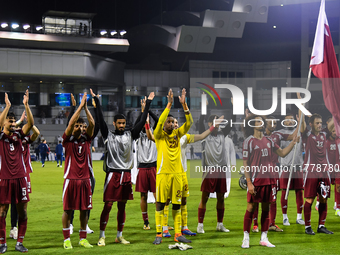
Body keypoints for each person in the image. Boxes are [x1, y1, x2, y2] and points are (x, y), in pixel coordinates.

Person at [147, 115, 225, 238]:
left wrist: (213, 126)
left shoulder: (184, 137)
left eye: (176, 122)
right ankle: (165, 228)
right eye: (173, 122)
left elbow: (201, 136)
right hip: (168, 172)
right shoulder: (164, 136)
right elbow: (152, 137)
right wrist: (147, 124)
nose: (175, 124)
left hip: (182, 173)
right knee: (166, 201)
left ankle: (184, 227)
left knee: (182, 200)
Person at [94, 89, 155, 246]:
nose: (121, 125)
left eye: (123, 123)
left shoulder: (130, 134)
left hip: (126, 175)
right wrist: (97, 103)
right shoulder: (108, 135)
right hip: (112, 175)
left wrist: (148, 103)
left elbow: (141, 122)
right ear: (114, 124)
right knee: (108, 206)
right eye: (119, 123)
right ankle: (102, 236)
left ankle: (119, 235)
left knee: (122, 207)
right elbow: (100, 120)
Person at [241, 114, 297, 248]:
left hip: (270, 179)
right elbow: (246, 164)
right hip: (256, 180)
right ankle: (246, 238)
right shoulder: (248, 141)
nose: (262, 123)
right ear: (253, 124)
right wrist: (249, 182)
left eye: (262, 121)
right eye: (259, 121)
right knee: (250, 207)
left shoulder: (269, 140)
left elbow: (282, 153)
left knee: (266, 208)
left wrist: (293, 143)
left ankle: (264, 238)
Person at [152, 89, 193, 245]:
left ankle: (177, 234)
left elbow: (189, 123)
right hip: (163, 175)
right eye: (168, 122)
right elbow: (161, 122)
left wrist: (184, 105)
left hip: (177, 174)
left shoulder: (178, 134)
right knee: (161, 204)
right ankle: (159, 233)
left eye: (172, 122)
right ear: (164, 125)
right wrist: (169, 105)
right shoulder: (159, 136)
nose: (171, 124)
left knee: (177, 204)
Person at [0, 90, 34, 253]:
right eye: (10, 122)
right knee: (2, 212)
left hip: (20, 178)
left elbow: (31, 124)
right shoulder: (0, 137)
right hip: (4, 179)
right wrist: (7, 107)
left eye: (14, 122)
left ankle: (19, 242)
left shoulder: (20, 135)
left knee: (23, 211)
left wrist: (27, 105)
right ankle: (2, 242)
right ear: (4, 123)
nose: (13, 124)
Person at [197, 98, 236, 234]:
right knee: (205, 197)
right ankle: (200, 225)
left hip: (221, 170)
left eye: (218, 122)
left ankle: (220, 224)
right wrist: (204, 107)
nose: (217, 125)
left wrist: (233, 106)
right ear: (209, 123)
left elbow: (231, 124)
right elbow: (200, 122)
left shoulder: (222, 133)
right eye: (214, 122)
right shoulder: (205, 133)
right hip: (209, 170)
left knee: (221, 197)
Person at [61, 92, 95, 249]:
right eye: (77, 125)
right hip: (70, 180)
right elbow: (70, 126)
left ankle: (82, 238)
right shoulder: (67, 140)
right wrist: (79, 107)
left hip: (85, 180)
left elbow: (92, 124)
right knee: (68, 210)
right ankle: (66, 239)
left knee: (84, 210)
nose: (80, 128)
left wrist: (86, 108)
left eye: (82, 126)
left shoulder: (87, 139)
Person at [302, 113, 334, 235]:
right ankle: (307, 226)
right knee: (310, 199)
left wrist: (335, 108)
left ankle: (321, 225)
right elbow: (302, 128)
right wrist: (302, 108)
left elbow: (333, 123)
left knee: (323, 198)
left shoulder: (324, 135)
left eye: (321, 123)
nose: (320, 125)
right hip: (311, 171)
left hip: (324, 171)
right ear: (311, 124)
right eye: (317, 123)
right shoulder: (307, 135)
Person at [277, 111, 305, 226]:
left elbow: (302, 128)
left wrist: (300, 119)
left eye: (292, 119)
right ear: (284, 121)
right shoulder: (280, 133)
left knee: (299, 192)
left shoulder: (300, 131)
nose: (290, 121)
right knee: (285, 192)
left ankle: (299, 217)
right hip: (286, 167)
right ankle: (285, 217)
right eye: (288, 119)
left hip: (297, 167)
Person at [134, 98, 158, 230]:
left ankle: (160, 221)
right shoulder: (137, 135)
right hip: (142, 167)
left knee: (156, 195)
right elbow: (137, 124)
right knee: (143, 195)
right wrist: (143, 112)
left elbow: (159, 121)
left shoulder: (155, 133)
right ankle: (146, 222)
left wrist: (148, 110)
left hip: (153, 166)